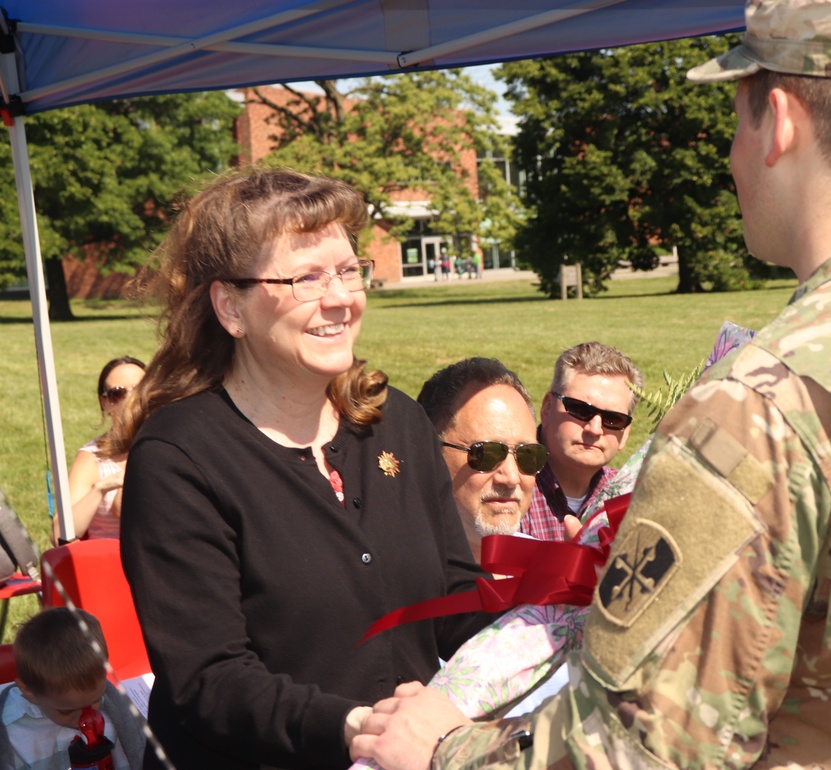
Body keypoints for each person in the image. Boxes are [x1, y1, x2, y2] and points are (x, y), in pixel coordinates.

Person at [351, 1, 831, 767]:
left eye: (737, 121)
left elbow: (648, 744)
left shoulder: (759, 404)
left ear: (780, 122)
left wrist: (441, 750)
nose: (731, 153)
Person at [113, 166, 491, 770]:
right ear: (231, 308)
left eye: (347, 270)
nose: (340, 298)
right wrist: (355, 726)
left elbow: (449, 597)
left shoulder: (397, 422)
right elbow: (208, 681)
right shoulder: (180, 459)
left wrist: (555, 607)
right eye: (306, 278)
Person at [417, 358, 546, 565]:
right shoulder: (394, 581)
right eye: (487, 454)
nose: (511, 478)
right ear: (430, 454)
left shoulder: (551, 569)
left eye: (528, 455)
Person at [519, 341, 643, 541]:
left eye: (613, 419)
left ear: (625, 433)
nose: (594, 429)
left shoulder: (630, 500)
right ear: (547, 408)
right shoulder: (506, 483)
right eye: (580, 410)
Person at [0, 607, 146, 770]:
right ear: (29, 692)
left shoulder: (117, 713)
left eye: (95, 700)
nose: (85, 719)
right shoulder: (11, 732)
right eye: (67, 711)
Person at [53, 356, 146, 544]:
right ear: (104, 402)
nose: (131, 399)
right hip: (109, 566)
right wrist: (100, 489)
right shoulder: (92, 458)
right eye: (118, 393)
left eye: (141, 389)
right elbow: (58, 535)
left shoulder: (172, 443)